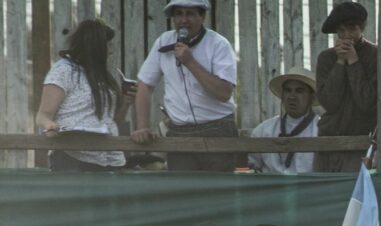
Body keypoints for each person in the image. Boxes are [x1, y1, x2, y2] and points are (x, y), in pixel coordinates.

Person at [131, 0, 238, 171]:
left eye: (190, 14)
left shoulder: (218, 44)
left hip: (217, 130)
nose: (183, 20)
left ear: (202, 16)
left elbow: (224, 93)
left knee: (219, 191)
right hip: (179, 132)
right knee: (182, 192)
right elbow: (145, 84)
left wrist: (190, 62)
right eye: (178, 13)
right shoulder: (163, 41)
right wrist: (142, 127)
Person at [35, 19, 132, 172]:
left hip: (109, 158)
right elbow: (42, 116)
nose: (111, 50)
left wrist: (126, 103)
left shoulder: (102, 76)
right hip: (73, 157)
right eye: (108, 45)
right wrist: (50, 126)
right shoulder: (64, 71)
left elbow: (112, 122)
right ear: (96, 47)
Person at [314, 1, 378, 173]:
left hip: (361, 142)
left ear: (362, 28)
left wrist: (354, 62)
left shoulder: (375, 56)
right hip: (329, 141)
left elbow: (367, 102)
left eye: (352, 29)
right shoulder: (326, 58)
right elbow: (330, 102)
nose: (346, 35)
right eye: (341, 30)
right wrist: (340, 62)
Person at [249, 67, 321, 174]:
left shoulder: (320, 130)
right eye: (288, 90)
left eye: (299, 91)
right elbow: (251, 166)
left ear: (312, 96)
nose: (292, 96)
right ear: (282, 96)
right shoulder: (264, 131)